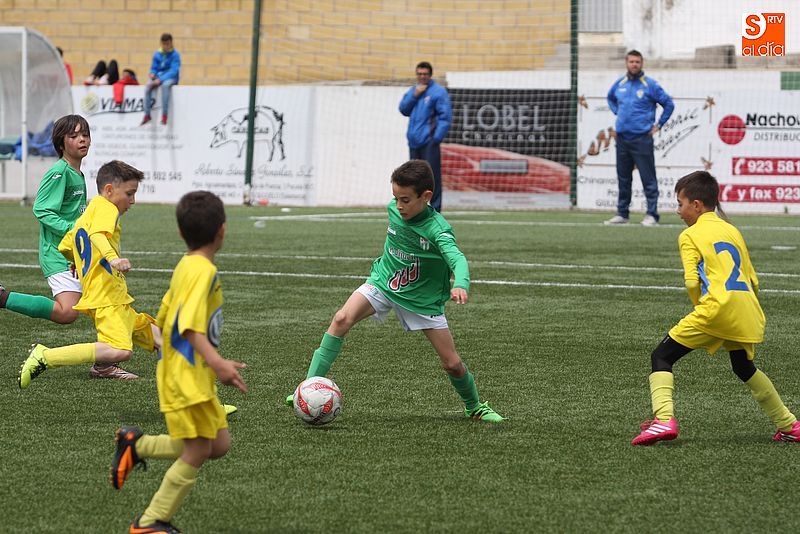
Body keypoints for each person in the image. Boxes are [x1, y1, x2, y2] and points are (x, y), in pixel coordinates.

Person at [285, 160, 503, 423]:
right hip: (385, 281)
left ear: (426, 197)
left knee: (452, 364)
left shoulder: (437, 229)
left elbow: (457, 259)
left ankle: (474, 407)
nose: (399, 205)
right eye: (395, 198)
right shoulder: (394, 209)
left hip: (422, 299)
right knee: (342, 319)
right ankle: (307, 389)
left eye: (406, 200)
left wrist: (461, 283)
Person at [109, 191, 247, 534]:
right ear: (222, 230)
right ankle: (151, 520)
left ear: (180, 233)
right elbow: (188, 326)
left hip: (190, 373)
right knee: (198, 450)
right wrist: (218, 363)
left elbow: (166, 315)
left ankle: (137, 445)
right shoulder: (203, 272)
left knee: (219, 445)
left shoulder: (187, 264)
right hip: (186, 377)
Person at [631, 170, 800, 445]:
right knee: (744, 367)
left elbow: (691, 281)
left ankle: (663, 420)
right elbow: (753, 279)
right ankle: (789, 425)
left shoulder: (690, 234)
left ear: (696, 205)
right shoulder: (732, 230)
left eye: (680, 204)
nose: (678, 211)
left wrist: (702, 309)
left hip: (716, 309)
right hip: (747, 308)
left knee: (661, 356)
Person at [18, 161, 159, 387]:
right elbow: (97, 235)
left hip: (106, 293)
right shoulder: (107, 208)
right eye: (129, 194)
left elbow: (65, 245)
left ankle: (195, 389)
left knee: (160, 335)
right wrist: (113, 258)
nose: (132, 201)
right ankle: (46, 357)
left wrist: (75, 261)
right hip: (107, 294)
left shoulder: (89, 211)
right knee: (120, 350)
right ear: (109, 190)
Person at [0, 115, 89, 326]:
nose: (82, 139)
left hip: (76, 250)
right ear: (61, 143)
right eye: (74, 136)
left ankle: (116, 346)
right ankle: (2, 298)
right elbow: (42, 210)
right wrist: (74, 229)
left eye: (85, 134)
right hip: (58, 253)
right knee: (67, 312)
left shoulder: (76, 172)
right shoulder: (59, 172)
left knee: (104, 299)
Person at [605, 50, 674, 227]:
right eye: (631, 61)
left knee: (648, 177)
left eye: (637, 62)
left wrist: (659, 124)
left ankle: (652, 214)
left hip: (642, 139)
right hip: (622, 139)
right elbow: (610, 98)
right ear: (626, 63)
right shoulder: (619, 83)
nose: (634, 64)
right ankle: (622, 214)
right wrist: (618, 112)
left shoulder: (650, 85)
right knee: (623, 178)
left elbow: (668, 104)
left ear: (641, 63)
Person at [398, 61, 452, 212]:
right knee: (414, 177)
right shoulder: (413, 91)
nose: (422, 77)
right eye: (419, 74)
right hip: (414, 141)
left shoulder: (438, 92)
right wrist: (415, 95)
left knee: (432, 176)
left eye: (425, 74)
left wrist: (436, 138)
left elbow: (445, 117)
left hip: (429, 141)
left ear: (430, 75)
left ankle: (435, 209)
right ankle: (417, 208)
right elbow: (403, 109)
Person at [141, 33, 181, 126]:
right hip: (158, 77)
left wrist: (161, 79)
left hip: (171, 78)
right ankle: (147, 115)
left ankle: (164, 115)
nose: (165, 46)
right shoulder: (157, 54)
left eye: (167, 44)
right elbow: (154, 68)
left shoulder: (175, 55)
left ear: (171, 43)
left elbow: (174, 71)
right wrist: (152, 73)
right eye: (164, 44)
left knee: (165, 86)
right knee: (148, 86)